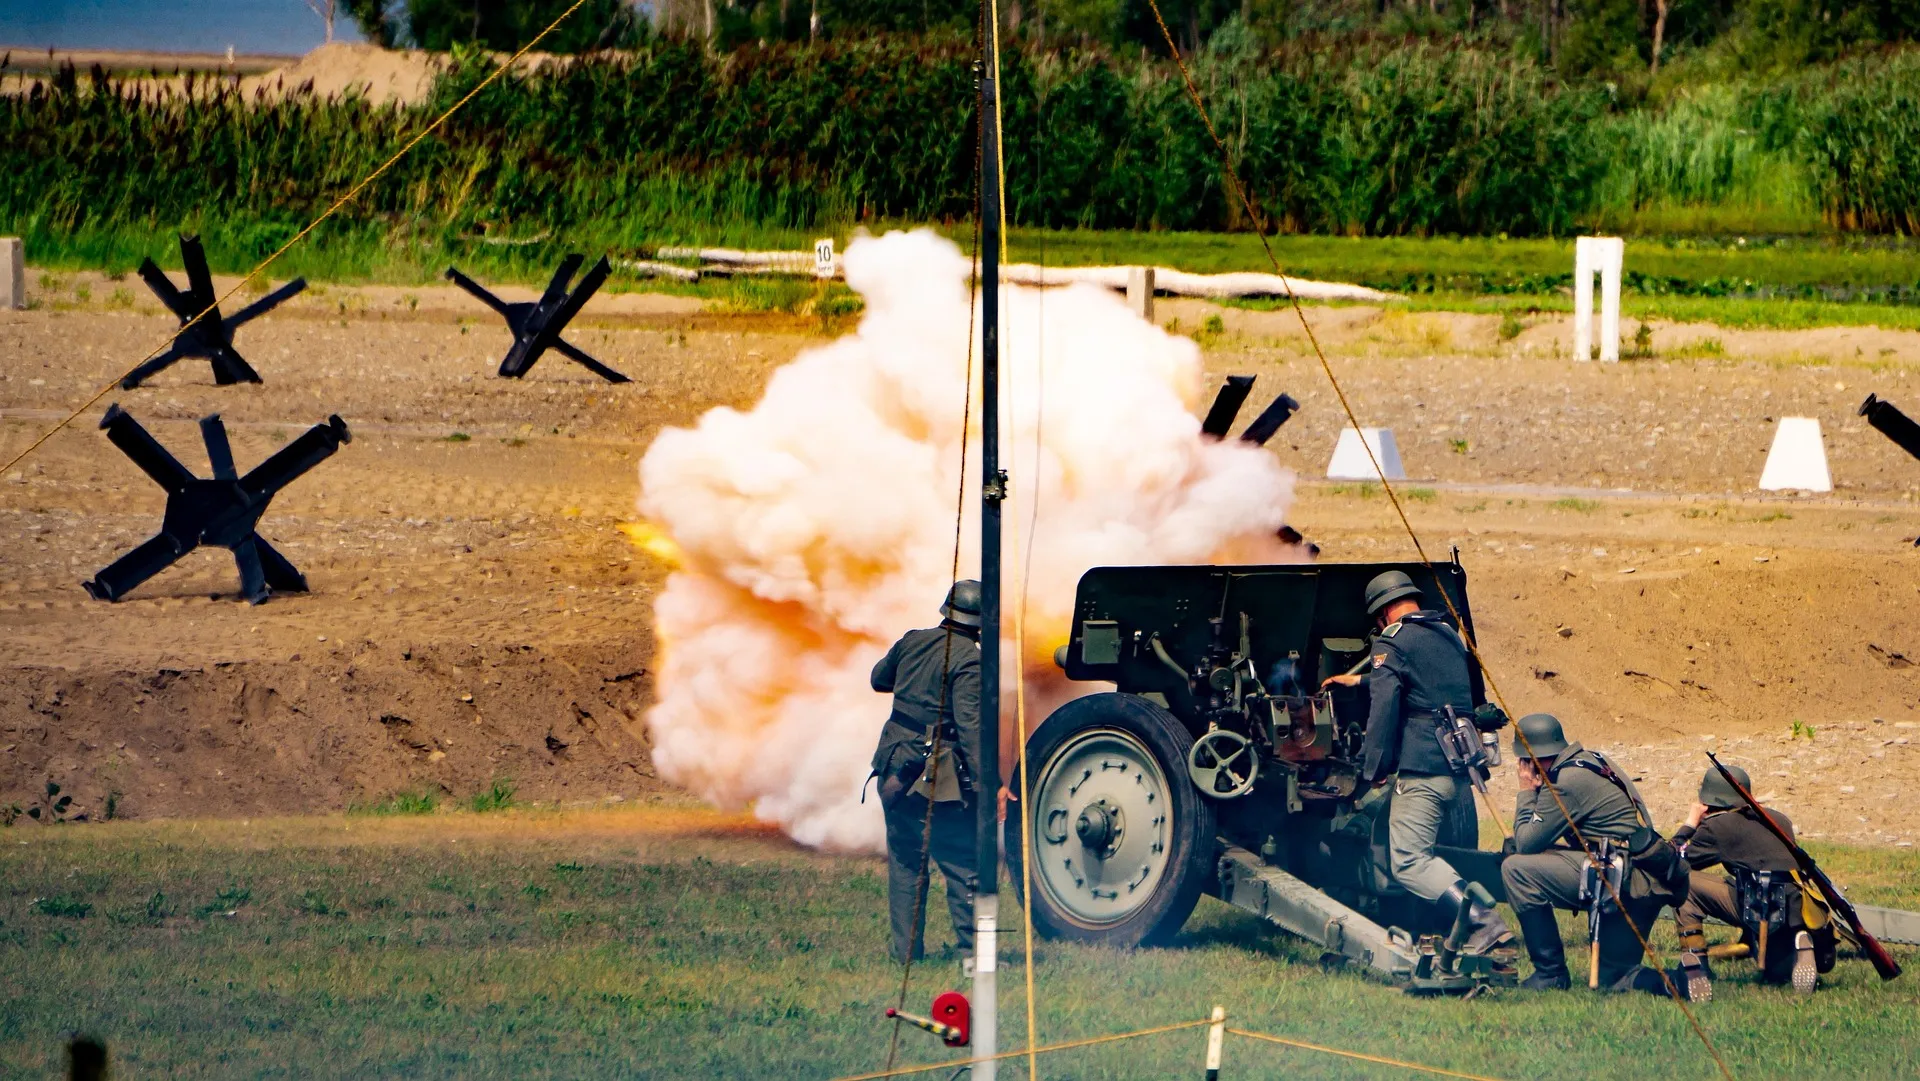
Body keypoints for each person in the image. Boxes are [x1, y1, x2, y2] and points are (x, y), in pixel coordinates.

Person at [1322, 570, 1511, 957]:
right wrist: (1357, 681)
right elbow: (1428, 687)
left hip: (1422, 768)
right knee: (1397, 844)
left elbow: (1385, 708)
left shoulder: (1393, 639)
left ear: (1383, 613)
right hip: (1457, 768)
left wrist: (1370, 768)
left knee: (1409, 860)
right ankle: (1414, 917)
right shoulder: (1446, 635)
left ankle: (1481, 922)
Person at [1501, 713, 1680, 992]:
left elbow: (1525, 844)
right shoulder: (1593, 760)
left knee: (1516, 868)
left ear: (1530, 760)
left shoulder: (1564, 782)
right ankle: (1679, 981)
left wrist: (1526, 792)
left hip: (1619, 881)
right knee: (1615, 978)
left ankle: (1550, 974)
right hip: (1642, 881)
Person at [870, 580, 983, 968]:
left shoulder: (912, 640)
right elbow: (969, 725)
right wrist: (988, 785)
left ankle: (905, 955)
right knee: (961, 862)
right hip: (938, 774)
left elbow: (878, 679)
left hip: (893, 765)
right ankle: (973, 956)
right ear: (979, 622)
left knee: (905, 864)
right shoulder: (970, 657)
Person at [1670, 762, 1833, 997]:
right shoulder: (1779, 819)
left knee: (1685, 883)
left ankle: (1695, 964)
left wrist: (1690, 823)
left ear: (1709, 799)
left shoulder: (1716, 826)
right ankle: (1801, 942)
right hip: (1795, 911)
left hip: (1756, 906)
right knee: (1777, 974)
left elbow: (1673, 859)